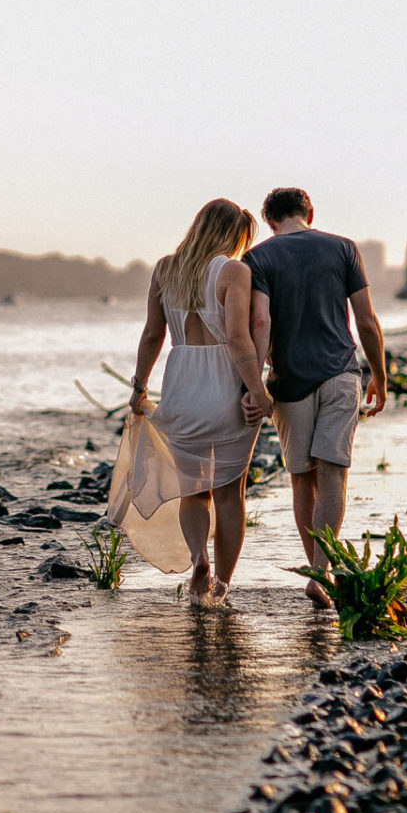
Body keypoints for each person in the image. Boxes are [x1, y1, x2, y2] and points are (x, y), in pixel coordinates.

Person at [108, 199, 271, 606]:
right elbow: (237, 337)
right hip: (225, 387)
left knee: (193, 490)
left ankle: (199, 558)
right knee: (231, 493)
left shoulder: (166, 268)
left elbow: (151, 335)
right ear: (233, 235)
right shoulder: (234, 271)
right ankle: (222, 585)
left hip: (182, 388)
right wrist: (256, 390)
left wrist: (139, 386)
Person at [241, 187, 386, 605]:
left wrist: (254, 381)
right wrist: (380, 376)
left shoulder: (259, 257)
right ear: (309, 212)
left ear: (269, 221)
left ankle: (316, 574)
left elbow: (261, 321)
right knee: (334, 473)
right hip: (340, 374)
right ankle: (320, 573)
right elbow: (367, 321)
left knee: (302, 479)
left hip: (289, 382)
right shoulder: (344, 249)